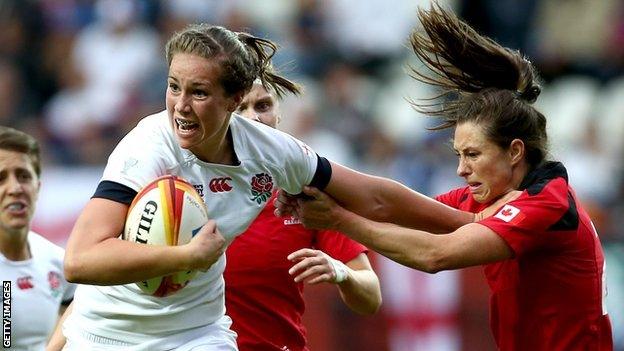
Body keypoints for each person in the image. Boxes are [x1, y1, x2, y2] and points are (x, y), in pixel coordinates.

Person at [57, 23, 483, 350]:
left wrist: (474, 222)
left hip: (197, 334)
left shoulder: (272, 153)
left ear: (233, 98)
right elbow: (80, 259)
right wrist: (187, 256)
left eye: (199, 92)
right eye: (173, 88)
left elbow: (374, 196)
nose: (180, 107)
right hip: (109, 335)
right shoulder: (148, 147)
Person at [277, 5, 613, 351]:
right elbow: (386, 202)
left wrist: (339, 220)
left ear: (514, 151)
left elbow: (435, 256)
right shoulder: (491, 197)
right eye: (458, 155)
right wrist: (311, 174)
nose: (461, 169)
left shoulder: (548, 203)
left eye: (473, 155)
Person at [224, 79, 382, 351]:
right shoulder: (184, 190)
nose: (253, 117)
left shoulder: (305, 192)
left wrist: (342, 272)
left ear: (278, 114)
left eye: (263, 105)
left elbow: (371, 297)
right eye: (240, 108)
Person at [0, 126, 75, 351]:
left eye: (23, 176)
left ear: (38, 187)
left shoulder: (58, 262)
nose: (15, 188)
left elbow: (78, 310)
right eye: (1, 178)